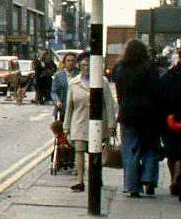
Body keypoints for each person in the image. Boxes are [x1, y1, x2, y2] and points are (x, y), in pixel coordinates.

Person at [112, 38, 163, 197]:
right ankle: (148, 179)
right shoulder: (150, 67)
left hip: (128, 114)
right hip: (149, 114)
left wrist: (124, 105)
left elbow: (119, 93)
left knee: (130, 149)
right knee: (150, 146)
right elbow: (157, 92)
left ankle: (132, 186)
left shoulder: (120, 68)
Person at [63, 54, 117, 192]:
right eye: (83, 65)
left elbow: (109, 104)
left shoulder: (102, 81)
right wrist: (66, 126)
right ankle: (80, 181)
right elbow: (69, 106)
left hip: (98, 124)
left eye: (88, 65)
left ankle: (96, 178)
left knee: (96, 153)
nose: (86, 68)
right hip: (79, 122)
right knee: (79, 151)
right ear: (79, 66)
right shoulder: (74, 83)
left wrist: (112, 125)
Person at [159, 49, 181, 198]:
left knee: (171, 152)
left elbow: (161, 97)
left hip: (169, 119)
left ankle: (174, 176)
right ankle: (177, 176)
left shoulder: (169, 75)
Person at [51, 53, 76, 120]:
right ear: (64, 62)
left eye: (72, 61)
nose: (70, 63)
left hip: (76, 110)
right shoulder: (58, 75)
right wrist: (57, 101)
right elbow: (53, 92)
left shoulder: (79, 75)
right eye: (68, 60)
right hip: (62, 109)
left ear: (75, 62)